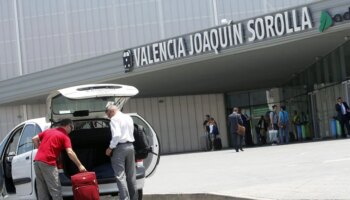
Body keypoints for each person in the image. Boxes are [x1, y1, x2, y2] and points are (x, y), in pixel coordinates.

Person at [32, 118, 86, 200]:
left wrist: (40, 149)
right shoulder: (64, 136)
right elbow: (70, 152)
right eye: (72, 128)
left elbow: (34, 139)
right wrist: (80, 165)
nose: (71, 130)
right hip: (48, 162)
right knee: (55, 190)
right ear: (68, 126)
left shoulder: (49, 131)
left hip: (37, 161)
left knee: (42, 190)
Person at [105, 104, 138, 200]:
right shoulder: (128, 117)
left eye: (108, 115)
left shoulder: (114, 119)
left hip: (120, 148)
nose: (109, 117)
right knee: (131, 175)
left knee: (120, 176)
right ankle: (134, 198)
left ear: (111, 111)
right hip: (130, 146)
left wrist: (110, 148)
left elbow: (117, 135)